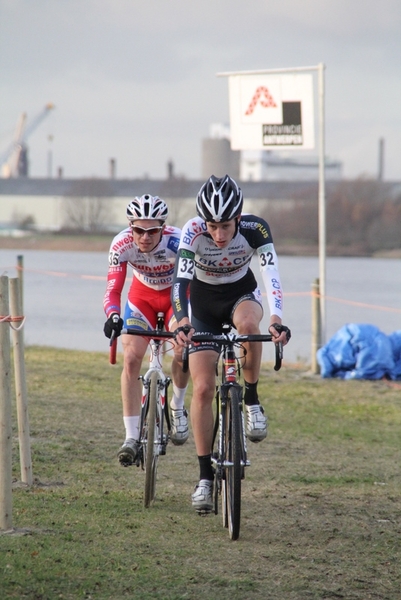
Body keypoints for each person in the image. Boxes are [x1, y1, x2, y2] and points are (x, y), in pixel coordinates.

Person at [171, 174, 291, 512]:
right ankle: (205, 477)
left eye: (226, 226)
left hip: (242, 295)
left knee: (250, 325)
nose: (219, 235)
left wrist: (277, 319)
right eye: (213, 226)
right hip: (203, 306)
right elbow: (179, 284)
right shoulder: (192, 231)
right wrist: (182, 322)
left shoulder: (256, 229)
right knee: (203, 389)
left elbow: (271, 276)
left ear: (238, 218)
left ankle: (251, 400)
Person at [103, 194, 190, 466]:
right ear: (131, 227)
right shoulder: (121, 244)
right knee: (131, 358)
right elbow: (113, 289)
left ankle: (177, 404)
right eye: (138, 230)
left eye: (152, 231)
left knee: (181, 350)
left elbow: (195, 284)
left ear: (163, 227)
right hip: (141, 299)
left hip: (176, 297)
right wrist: (113, 315)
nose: (145, 237)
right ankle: (130, 437)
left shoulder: (178, 243)